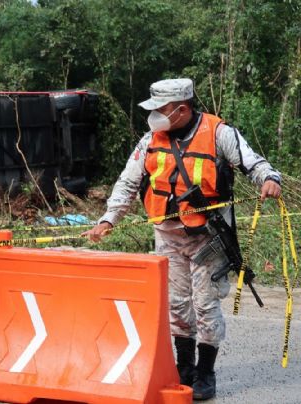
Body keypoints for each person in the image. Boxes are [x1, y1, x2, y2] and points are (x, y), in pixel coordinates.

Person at [82, 78, 281, 400]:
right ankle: (183, 369)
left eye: (161, 110)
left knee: (204, 305)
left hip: (208, 237)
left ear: (182, 109)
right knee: (176, 305)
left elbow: (253, 163)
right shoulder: (150, 140)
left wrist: (270, 179)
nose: (155, 116)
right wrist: (107, 219)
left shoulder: (219, 133)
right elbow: (127, 183)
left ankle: (205, 374)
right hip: (168, 235)